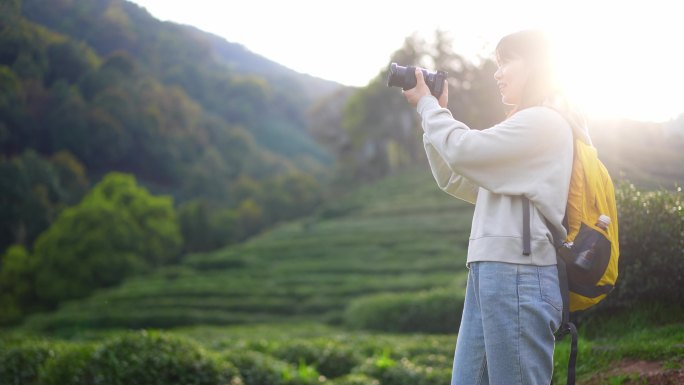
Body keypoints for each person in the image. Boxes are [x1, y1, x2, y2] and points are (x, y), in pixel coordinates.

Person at [402, 30, 590, 385]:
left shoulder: (545, 121)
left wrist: (428, 106)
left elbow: (464, 150)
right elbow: (458, 178)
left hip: (520, 273)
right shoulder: (524, 124)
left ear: (535, 65)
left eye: (506, 62)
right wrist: (436, 115)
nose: (497, 73)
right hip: (492, 271)